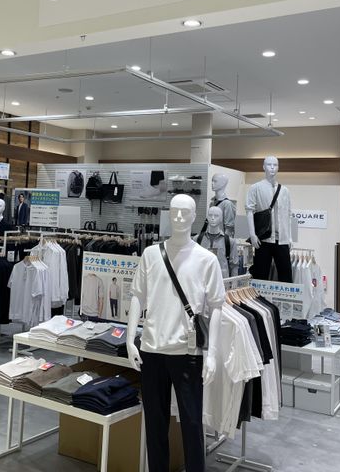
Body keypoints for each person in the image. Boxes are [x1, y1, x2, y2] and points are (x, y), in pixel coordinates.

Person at [127, 194, 224, 472]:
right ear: (168, 214)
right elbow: (137, 296)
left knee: (192, 424)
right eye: (175, 211)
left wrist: (212, 354)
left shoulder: (207, 260)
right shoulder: (151, 254)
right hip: (151, 350)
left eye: (185, 212)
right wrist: (130, 339)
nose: (179, 217)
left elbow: (217, 307)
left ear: (195, 216)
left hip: (187, 354)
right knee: (155, 424)